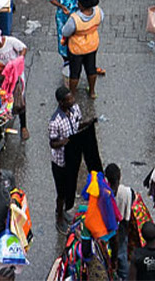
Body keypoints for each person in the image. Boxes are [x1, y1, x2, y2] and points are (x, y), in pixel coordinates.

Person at [49, 86, 85, 223]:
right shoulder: (55, 121)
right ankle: (59, 218)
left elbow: (78, 125)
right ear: (61, 102)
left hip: (73, 158)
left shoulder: (75, 108)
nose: (72, 100)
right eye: (68, 99)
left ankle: (64, 211)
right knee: (61, 192)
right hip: (60, 162)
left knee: (70, 187)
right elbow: (52, 143)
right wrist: (64, 142)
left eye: (71, 97)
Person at [62, 0, 105, 98]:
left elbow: (65, 32)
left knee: (75, 72)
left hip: (77, 48)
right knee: (91, 68)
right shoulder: (98, 11)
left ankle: (72, 93)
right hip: (92, 45)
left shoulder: (75, 19)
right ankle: (92, 92)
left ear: (81, 6)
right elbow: (101, 19)